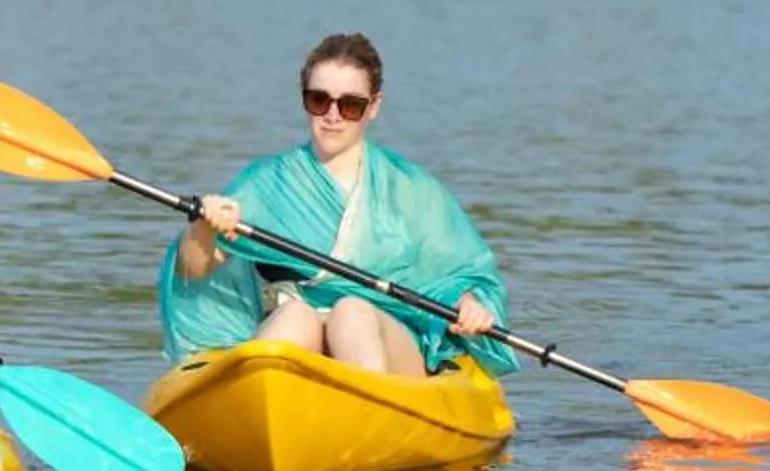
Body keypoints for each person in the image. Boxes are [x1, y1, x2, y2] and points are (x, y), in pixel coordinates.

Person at [159, 31, 511, 380]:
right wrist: (203, 226)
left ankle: (371, 414)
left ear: (373, 107)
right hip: (296, 335)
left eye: (350, 105)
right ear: (304, 100)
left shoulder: (412, 190)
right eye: (319, 100)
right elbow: (193, 270)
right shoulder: (265, 182)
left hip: (386, 339)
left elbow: (467, 276)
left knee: (351, 313)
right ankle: (255, 406)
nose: (333, 115)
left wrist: (470, 304)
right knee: (296, 316)